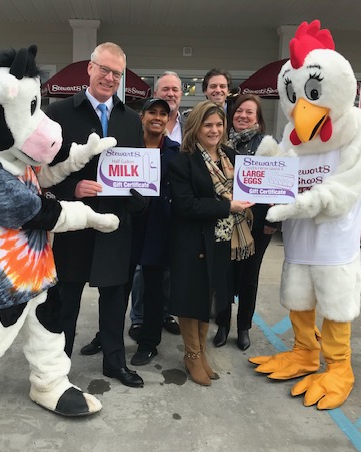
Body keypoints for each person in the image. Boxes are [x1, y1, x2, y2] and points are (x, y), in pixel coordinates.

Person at [43, 42, 146, 388]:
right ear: (89, 68)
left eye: (117, 73)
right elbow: (43, 171)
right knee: (66, 300)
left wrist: (136, 197)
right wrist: (73, 187)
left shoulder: (132, 119)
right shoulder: (58, 113)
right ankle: (58, 365)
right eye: (104, 69)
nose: (110, 77)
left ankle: (114, 363)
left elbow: (138, 171)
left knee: (115, 299)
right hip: (74, 222)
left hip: (116, 225)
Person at [168, 101, 253, 386]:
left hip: (222, 239)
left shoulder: (230, 155)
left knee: (208, 296)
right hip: (192, 241)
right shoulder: (183, 160)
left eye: (219, 125)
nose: (214, 130)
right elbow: (186, 205)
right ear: (195, 128)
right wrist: (226, 207)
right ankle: (191, 355)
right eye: (208, 125)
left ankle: (202, 352)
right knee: (190, 298)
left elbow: (247, 186)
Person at [213, 94, 278, 350]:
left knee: (250, 276)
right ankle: (222, 325)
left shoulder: (268, 145)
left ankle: (243, 328)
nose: (243, 116)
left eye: (249, 112)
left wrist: (274, 220)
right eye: (239, 111)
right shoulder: (221, 143)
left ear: (258, 118)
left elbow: (279, 188)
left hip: (258, 223)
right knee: (224, 276)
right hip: (227, 220)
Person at [126, 71, 185, 341]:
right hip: (130, 222)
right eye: (153, 113)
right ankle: (133, 321)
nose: (158, 118)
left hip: (162, 223)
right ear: (143, 116)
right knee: (131, 278)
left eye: (163, 114)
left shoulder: (175, 151)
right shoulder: (128, 147)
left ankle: (156, 325)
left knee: (157, 277)